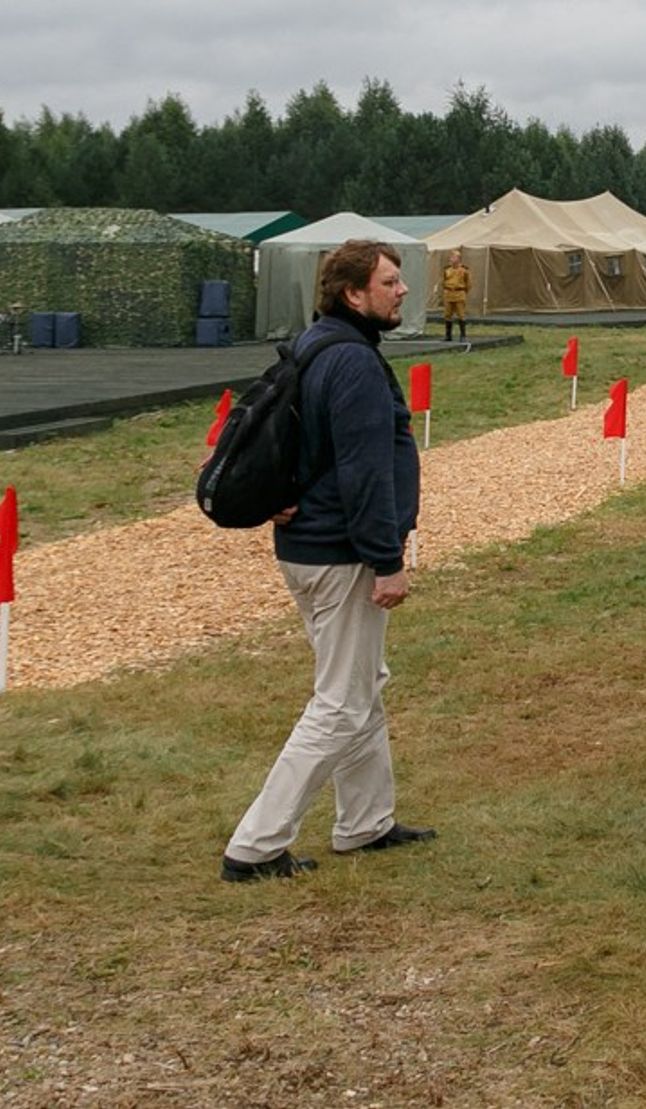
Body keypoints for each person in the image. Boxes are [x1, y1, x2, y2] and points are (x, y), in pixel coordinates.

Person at [221, 239, 432, 882]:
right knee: (341, 701)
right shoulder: (354, 365)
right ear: (354, 294)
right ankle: (254, 846)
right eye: (390, 282)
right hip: (341, 556)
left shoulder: (313, 347)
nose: (401, 291)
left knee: (360, 685)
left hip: (309, 549)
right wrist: (386, 559)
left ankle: (365, 821)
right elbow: (365, 473)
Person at [439, 248, 471, 343]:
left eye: (453, 257)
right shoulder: (447, 270)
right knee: (447, 315)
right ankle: (448, 336)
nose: (451, 259)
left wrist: (463, 292)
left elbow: (469, 284)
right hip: (448, 294)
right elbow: (443, 281)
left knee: (461, 315)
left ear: (459, 259)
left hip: (459, 294)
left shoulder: (464, 270)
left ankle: (463, 336)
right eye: (451, 257)